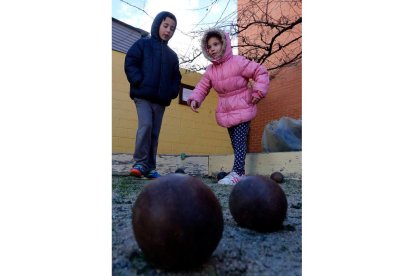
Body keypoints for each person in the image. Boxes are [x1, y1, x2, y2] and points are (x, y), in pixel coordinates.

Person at [187, 28, 269, 185]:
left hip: (243, 106)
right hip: (226, 112)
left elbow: (260, 71)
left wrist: (258, 91)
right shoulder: (211, 71)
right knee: (235, 142)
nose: (212, 49)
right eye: (209, 47)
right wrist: (195, 99)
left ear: (224, 44)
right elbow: (202, 86)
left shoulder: (238, 62)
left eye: (216, 44)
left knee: (239, 141)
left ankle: (238, 172)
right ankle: (240, 172)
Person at [124, 11, 182, 178]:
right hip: (142, 96)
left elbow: (175, 77)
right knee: (146, 126)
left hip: (160, 100)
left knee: (155, 133)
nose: (168, 31)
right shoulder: (143, 44)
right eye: (165, 26)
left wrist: (171, 91)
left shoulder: (172, 56)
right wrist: (137, 80)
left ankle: (150, 167)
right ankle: (140, 163)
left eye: (172, 28)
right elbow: (130, 61)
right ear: (157, 25)